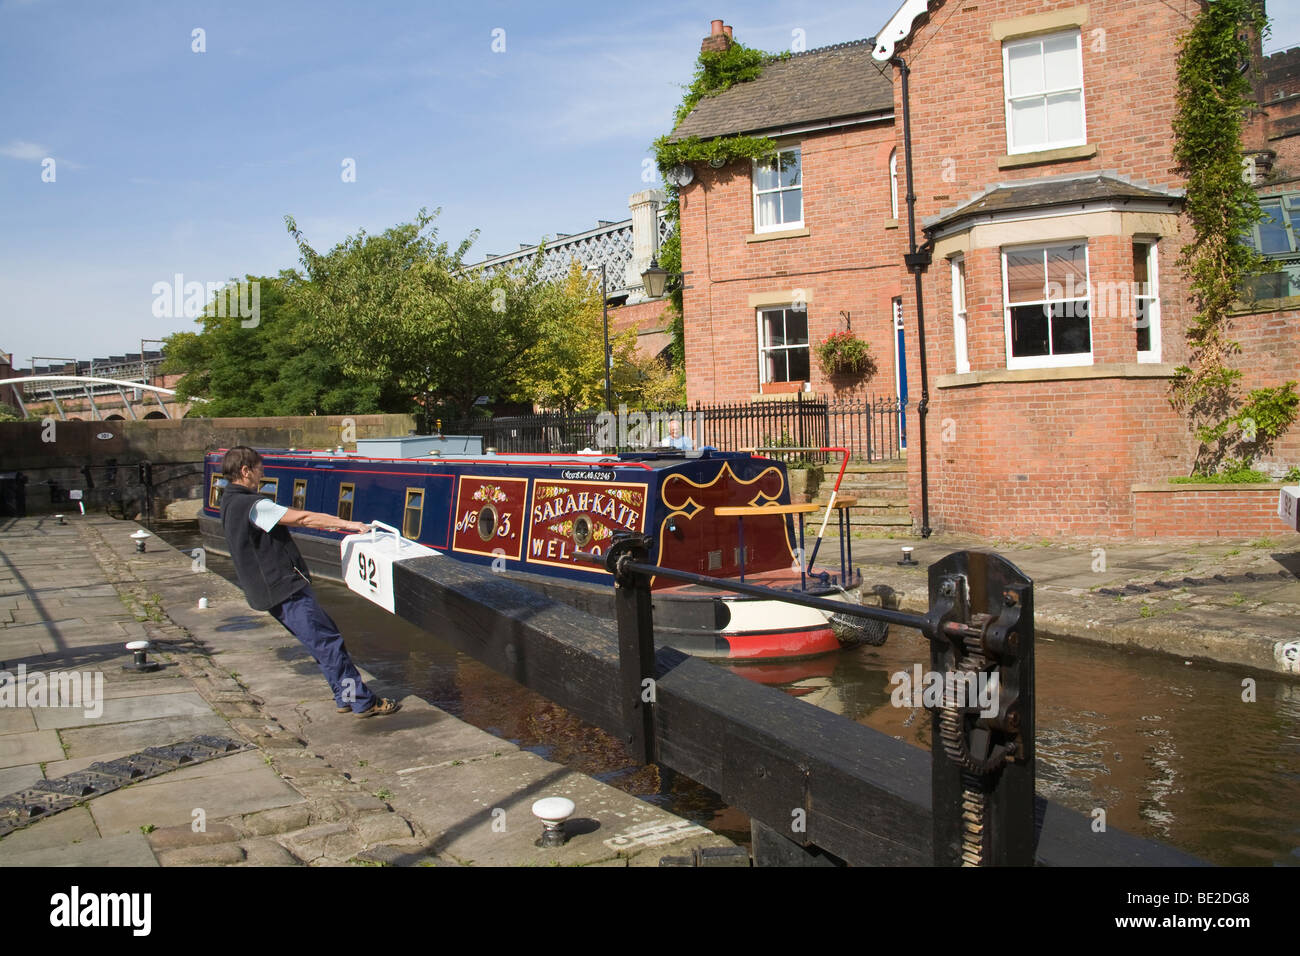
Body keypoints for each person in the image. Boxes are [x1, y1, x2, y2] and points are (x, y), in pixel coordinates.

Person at [218, 445, 399, 718]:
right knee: (329, 642)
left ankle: (344, 697)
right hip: (284, 589)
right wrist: (350, 525)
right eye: (259, 470)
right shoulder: (254, 505)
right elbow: (304, 518)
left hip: (266, 591)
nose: (262, 475)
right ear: (245, 471)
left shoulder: (228, 501)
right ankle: (363, 701)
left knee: (320, 642)